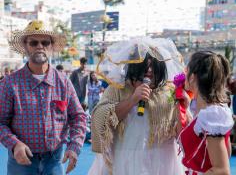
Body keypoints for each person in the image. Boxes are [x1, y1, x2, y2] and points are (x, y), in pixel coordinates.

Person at [89, 38, 187, 175]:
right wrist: (132, 100)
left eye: (154, 66)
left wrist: (184, 108)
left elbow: (182, 134)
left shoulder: (169, 92)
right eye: (145, 66)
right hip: (124, 160)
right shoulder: (117, 89)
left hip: (162, 163)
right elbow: (100, 116)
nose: (150, 71)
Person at [0, 20, 87, 175]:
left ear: (51, 47)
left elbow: (78, 117)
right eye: (34, 42)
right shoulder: (9, 84)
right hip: (21, 161)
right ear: (26, 47)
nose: (40, 46)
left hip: (54, 161)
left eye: (45, 42)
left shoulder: (64, 82)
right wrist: (14, 144)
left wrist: (74, 146)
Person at [178, 51, 234, 175]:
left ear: (192, 77)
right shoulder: (211, 112)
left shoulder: (211, 114)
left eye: (187, 70)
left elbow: (222, 170)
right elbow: (226, 152)